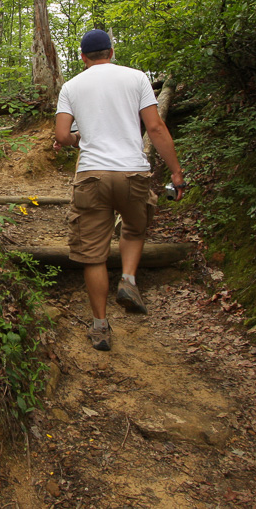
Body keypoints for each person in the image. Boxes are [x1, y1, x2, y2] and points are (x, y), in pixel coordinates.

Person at [53, 29, 185, 351]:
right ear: (111, 52)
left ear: (83, 57)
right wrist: (176, 172)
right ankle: (128, 279)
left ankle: (100, 328)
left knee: (92, 254)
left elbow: (61, 134)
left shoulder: (71, 87)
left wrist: (73, 138)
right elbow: (154, 127)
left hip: (91, 176)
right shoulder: (137, 78)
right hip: (132, 172)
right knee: (134, 228)